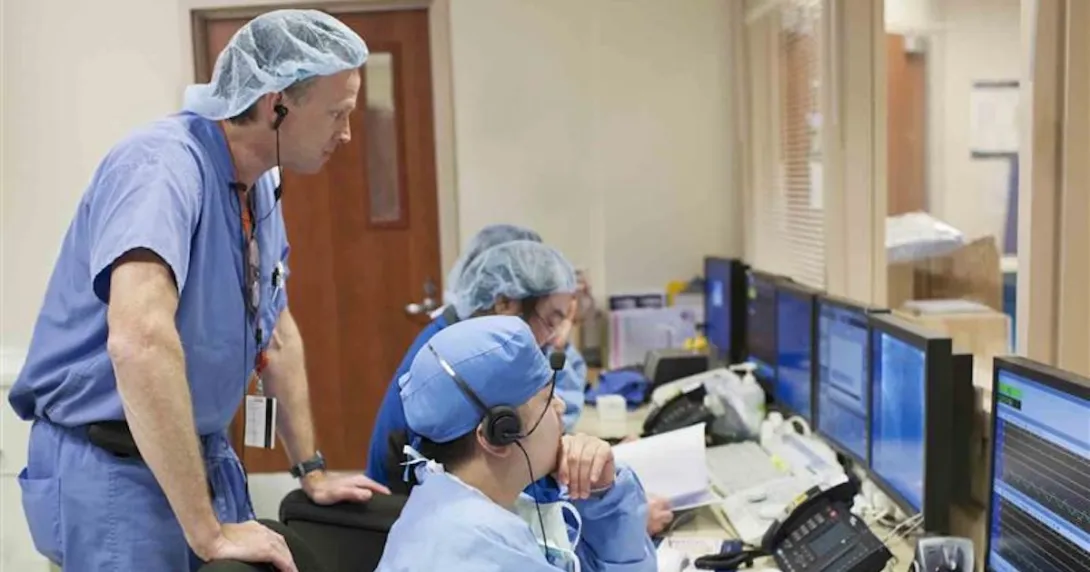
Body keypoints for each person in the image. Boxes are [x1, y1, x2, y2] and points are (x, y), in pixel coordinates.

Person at [8, 10, 389, 572]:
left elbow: (275, 331)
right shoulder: (162, 167)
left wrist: (311, 467)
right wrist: (208, 533)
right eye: (336, 113)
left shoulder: (259, 185)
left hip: (194, 459)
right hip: (114, 469)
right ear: (276, 103)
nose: (347, 133)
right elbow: (139, 340)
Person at [375, 315, 657, 571]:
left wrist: (603, 494)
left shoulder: (450, 507)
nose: (560, 407)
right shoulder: (479, 550)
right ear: (500, 433)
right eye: (547, 397)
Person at [365, 238, 581, 487]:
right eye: (551, 323)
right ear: (505, 303)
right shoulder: (456, 367)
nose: (549, 340)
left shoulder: (468, 345)